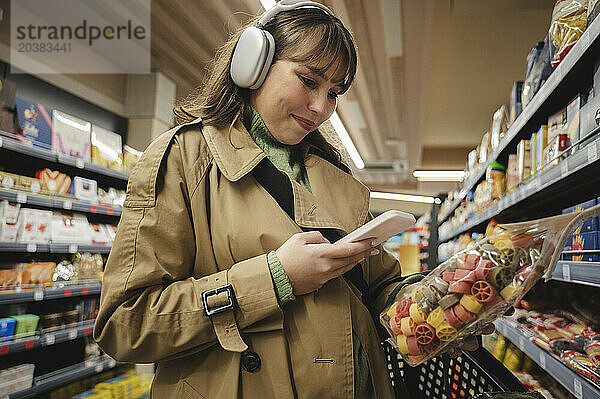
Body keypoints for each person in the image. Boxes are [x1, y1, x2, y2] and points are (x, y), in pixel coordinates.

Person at [94, 1, 491, 398]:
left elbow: (377, 288)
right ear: (254, 64)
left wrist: (436, 303)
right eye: (309, 80)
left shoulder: (339, 182)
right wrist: (275, 277)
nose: (322, 108)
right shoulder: (184, 161)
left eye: (334, 92)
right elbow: (125, 325)